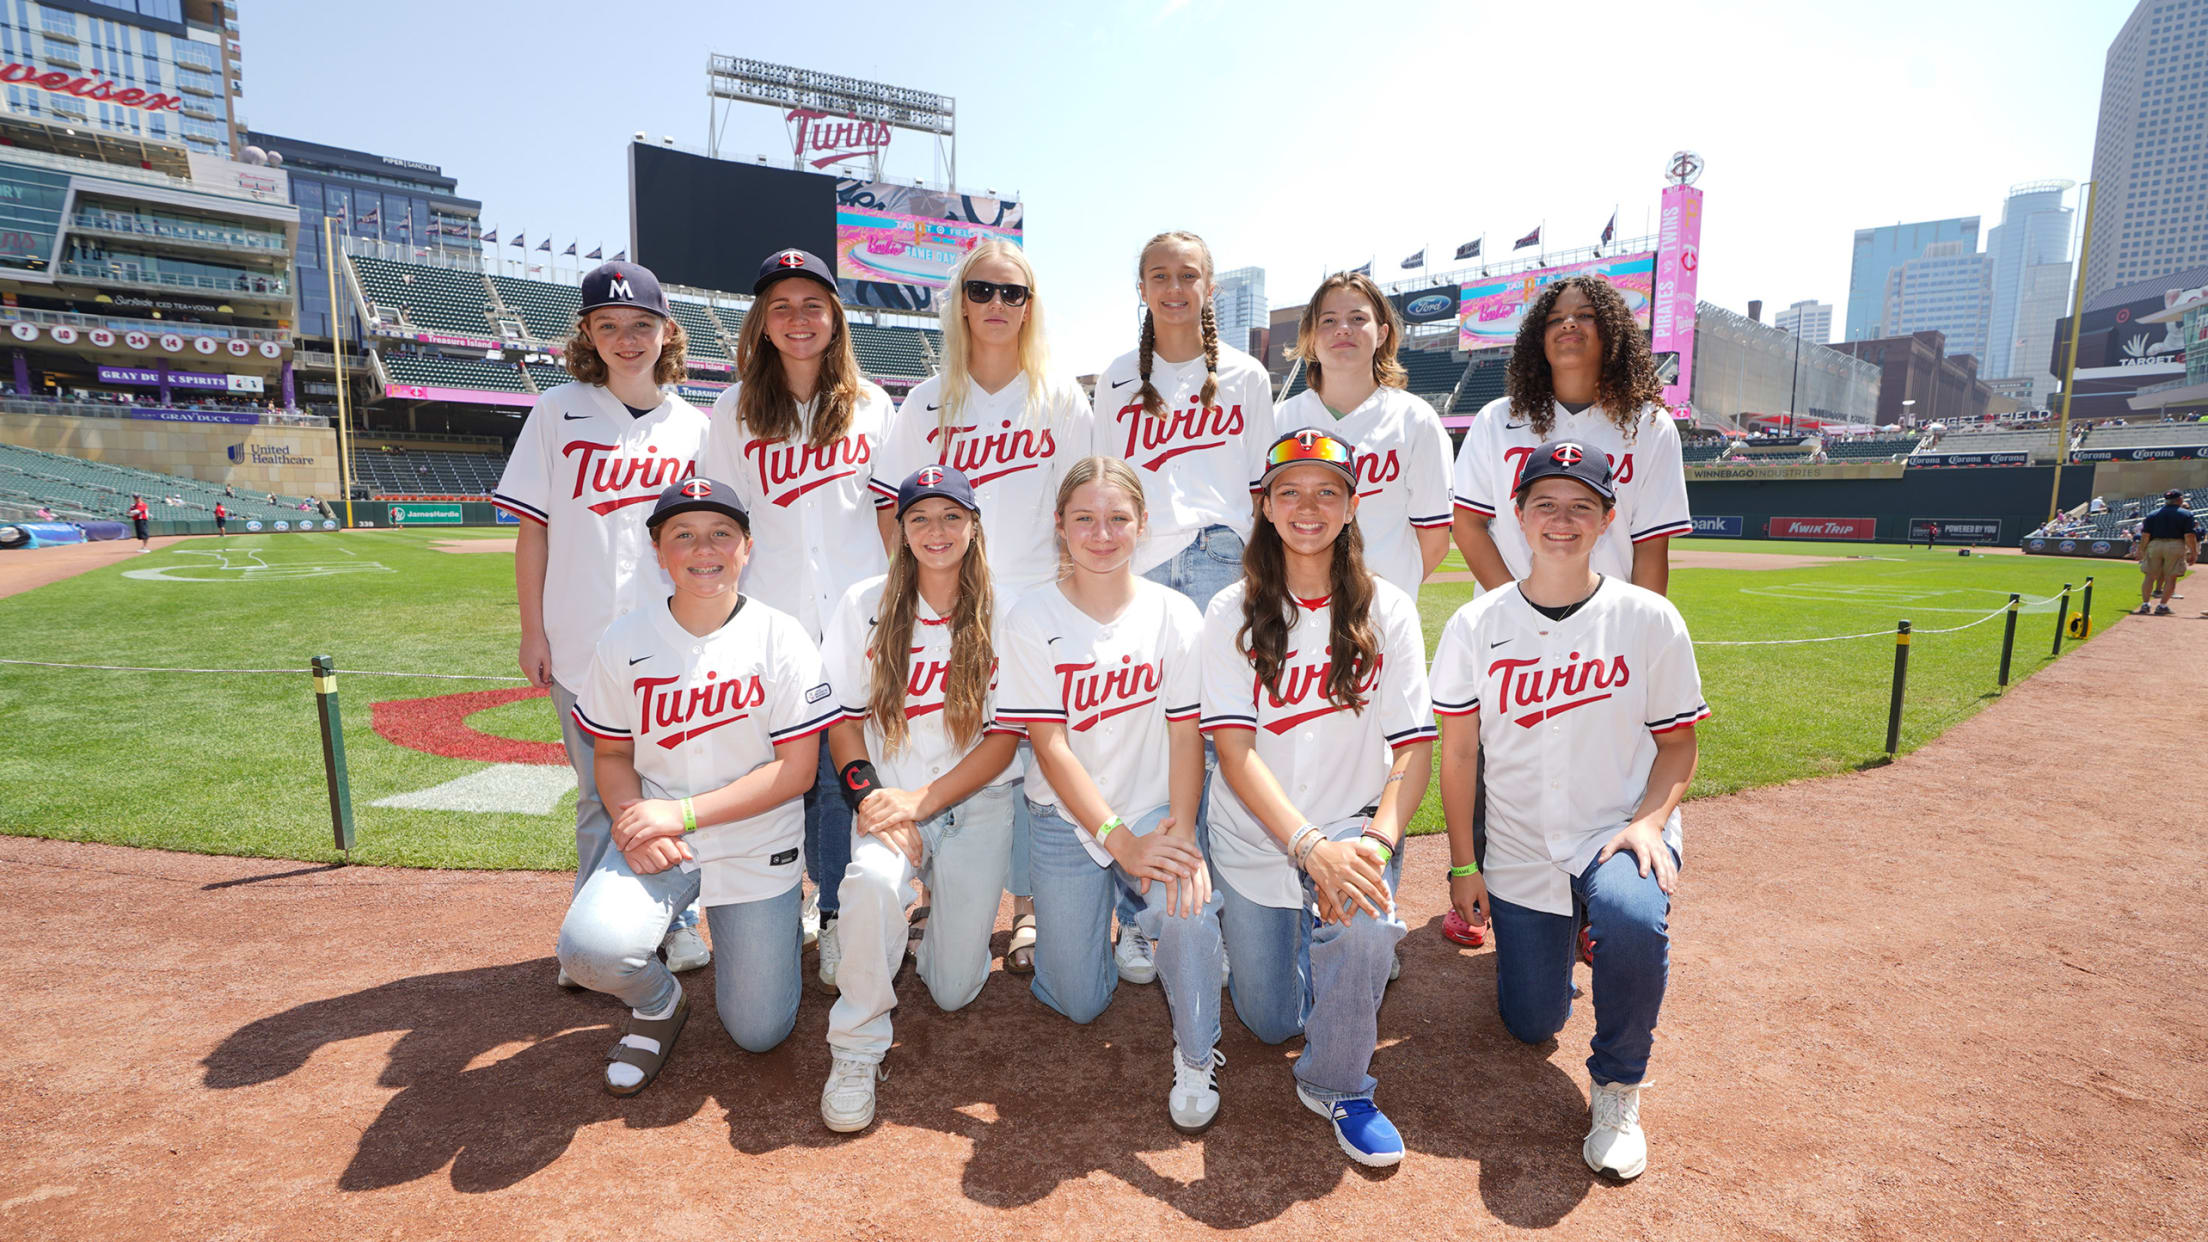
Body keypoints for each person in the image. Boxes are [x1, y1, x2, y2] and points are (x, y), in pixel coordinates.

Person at [1431, 440, 1707, 1182]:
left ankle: (1619, 1084)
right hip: (1520, 848)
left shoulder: (1648, 618)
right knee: (1531, 1024)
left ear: (1608, 519)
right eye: (1545, 504)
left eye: (1582, 505)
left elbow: (1678, 747)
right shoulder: (1475, 624)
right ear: (1518, 516)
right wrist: (1465, 862)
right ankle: (1569, 942)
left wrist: (1650, 823)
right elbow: (1457, 758)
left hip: (1616, 829)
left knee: (1630, 912)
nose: (1562, 520)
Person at [1199, 429, 1437, 1167]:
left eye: (1327, 490)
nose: (1309, 506)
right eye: (1290, 490)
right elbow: (1233, 754)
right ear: (1265, 506)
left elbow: (1414, 746)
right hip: (1258, 837)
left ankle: (1339, 1083)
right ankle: (1315, 953)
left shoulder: (1387, 608)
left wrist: (1376, 844)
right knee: (1270, 1022)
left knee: (1364, 927)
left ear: (1353, 506)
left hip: (1352, 828)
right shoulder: (1230, 610)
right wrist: (1308, 848)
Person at [558, 478, 835, 1096]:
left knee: (760, 1031)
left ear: (746, 547)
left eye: (721, 533)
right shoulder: (624, 639)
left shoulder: (781, 636)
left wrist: (675, 814)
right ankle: (659, 1005)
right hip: (662, 834)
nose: (703, 547)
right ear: (658, 550)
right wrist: (632, 822)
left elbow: (795, 771)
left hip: (755, 836)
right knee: (589, 953)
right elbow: (612, 754)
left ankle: (776, 926)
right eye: (683, 534)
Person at [1445, 273, 1690, 951]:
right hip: (1508, 624)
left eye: (1587, 315)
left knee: (1594, 760)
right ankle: (1474, 886)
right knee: (1498, 757)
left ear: (1612, 333)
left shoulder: (1648, 424)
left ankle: (1592, 905)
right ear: (1536, 336)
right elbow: (1468, 526)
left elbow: (1651, 546)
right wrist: (1511, 606)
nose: (1571, 326)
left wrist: (1640, 638)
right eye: (1557, 317)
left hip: (1607, 630)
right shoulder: (1499, 419)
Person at [491, 260, 713, 987]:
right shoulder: (556, 410)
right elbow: (534, 531)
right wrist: (533, 630)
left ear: (666, 332)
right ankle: (590, 930)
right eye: (609, 326)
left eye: (641, 325)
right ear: (587, 332)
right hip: (583, 640)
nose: (627, 339)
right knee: (597, 796)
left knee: (671, 790)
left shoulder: (694, 425)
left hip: (672, 642)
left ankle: (675, 921)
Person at [874, 240, 1092, 975]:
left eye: (1014, 292)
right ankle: (942, 889)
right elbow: (891, 504)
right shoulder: (928, 397)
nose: (998, 305)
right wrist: (915, 591)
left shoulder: (1058, 394)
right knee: (951, 739)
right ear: (959, 301)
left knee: (1033, 754)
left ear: (1031, 307)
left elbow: (1078, 508)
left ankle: (1026, 906)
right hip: (949, 601)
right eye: (983, 290)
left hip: (1033, 604)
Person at [996, 457, 1220, 1131]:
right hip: (1068, 821)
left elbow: (1188, 738)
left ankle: (1198, 1052)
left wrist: (1178, 833)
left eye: (1118, 519)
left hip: (1155, 809)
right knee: (1079, 1002)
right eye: (1085, 519)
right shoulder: (1031, 616)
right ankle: (1112, 931)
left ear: (1143, 526)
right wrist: (1117, 841)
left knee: (1187, 911)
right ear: (1060, 526)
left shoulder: (1174, 613)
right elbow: (1050, 745)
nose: (1101, 533)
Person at [701, 248, 898, 992]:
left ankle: (844, 911)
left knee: (846, 775)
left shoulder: (875, 404)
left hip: (856, 620)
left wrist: (896, 613)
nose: (797, 319)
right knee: (782, 770)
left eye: (811, 304)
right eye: (780, 306)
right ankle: (786, 903)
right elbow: (721, 519)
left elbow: (889, 517)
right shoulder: (734, 409)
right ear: (762, 322)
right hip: (771, 625)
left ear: (835, 317)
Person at [1089, 230, 1274, 985]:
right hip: (1140, 564)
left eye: (1187, 275)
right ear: (1142, 287)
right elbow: (1103, 482)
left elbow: (1261, 489)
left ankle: (1208, 910)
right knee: (1146, 740)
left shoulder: (1247, 375)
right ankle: (1147, 912)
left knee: (1220, 740)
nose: (1173, 288)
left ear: (1207, 287)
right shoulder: (1112, 379)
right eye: (1159, 276)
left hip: (1221, 558)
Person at [819, 465, 1021, 1132]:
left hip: (978, 801)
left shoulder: (1009, 607)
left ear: (974, 525)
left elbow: (1003, 740)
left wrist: (919, 802)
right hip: (891, 802)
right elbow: (844, 723)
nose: (936, 531)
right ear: (901, 530)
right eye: (920, 519)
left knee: (955, 990)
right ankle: (855, 1045)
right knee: (872, 882)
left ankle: (919, 928)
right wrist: (871, 798)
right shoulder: (862, 603)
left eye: (951, 517)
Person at [1271, 271, 1453, 597]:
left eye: (1357, 318)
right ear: (1311, 337)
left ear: (1382, 333)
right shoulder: (1280, 419)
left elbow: (1435, 538)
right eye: (1328, 320)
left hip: (1381, 614)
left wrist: (1388, 597)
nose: (1343, 328)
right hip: (1294, 608)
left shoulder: (1415, 419)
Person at [2137, 489, 2200, 616]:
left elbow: (2145, 535)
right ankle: (2162, 606)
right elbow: (2189, 536)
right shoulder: (2186, 514)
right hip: (2175, 544)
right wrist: (2194, 552)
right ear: (2180, 500)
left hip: (2155, 545)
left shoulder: (2153, 514)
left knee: (2149, 576)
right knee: (2171, 577)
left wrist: (2141, 550)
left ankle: (2145, 605)